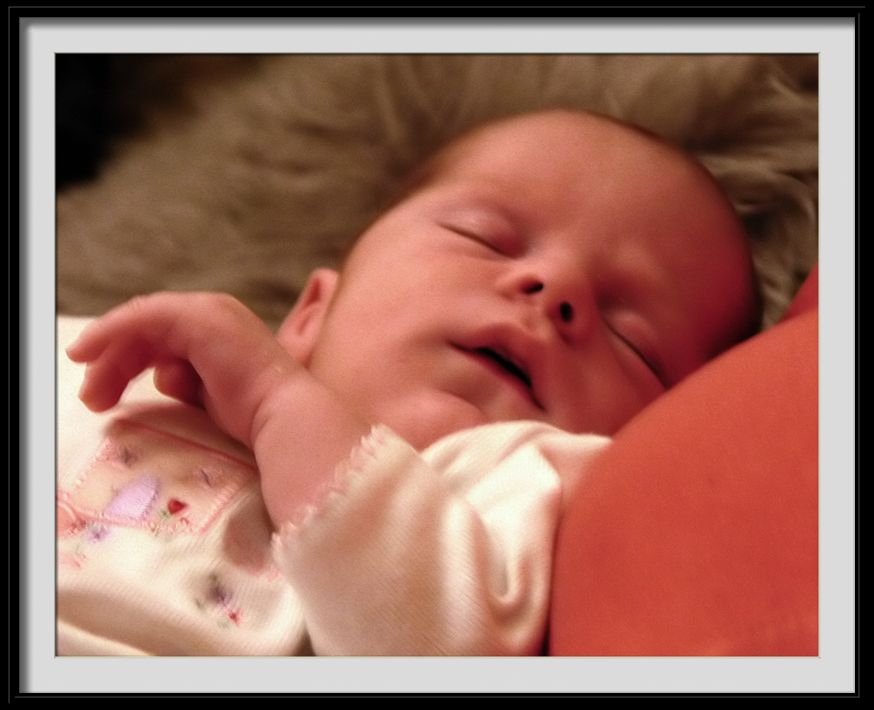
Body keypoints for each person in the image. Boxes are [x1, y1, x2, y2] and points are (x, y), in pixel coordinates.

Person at [57, 109, 760, 656]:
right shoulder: (141, 354)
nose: (557, 287)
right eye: (484, 237)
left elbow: (441, 655)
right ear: (311, 314)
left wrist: (278, 400)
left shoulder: (524, 485)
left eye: (634, 341)